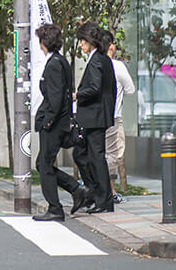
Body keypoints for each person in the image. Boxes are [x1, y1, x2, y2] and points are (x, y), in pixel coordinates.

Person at [32, 24, 85, 221]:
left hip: (54, 123)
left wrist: (47, 122)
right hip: (61, 121)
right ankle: (76, 190)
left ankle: (55, 208)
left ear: (43, 42)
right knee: (42, 163)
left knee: (44, 164)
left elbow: (55, 98)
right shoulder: (61, 61)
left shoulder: (53, 64)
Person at [75, 22, 116, 214]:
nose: (81, 45)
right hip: (98, 115)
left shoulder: (97, 60)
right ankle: (97, 195)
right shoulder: (103, 59)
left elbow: (94, 88)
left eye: (82, 41)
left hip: (94, 115)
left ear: (90, 41)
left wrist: (77, 95)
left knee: (96, 158)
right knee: (85, 155)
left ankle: (102, 199)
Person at [102, 29, 136, 200]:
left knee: (101, 153)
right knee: (113, 154)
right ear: (111, 47)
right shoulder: (117, 66)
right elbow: (130, 90)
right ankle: (111, 192)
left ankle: (101, 190)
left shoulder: (93, 64)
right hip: (114, 116)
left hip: (97, 118)